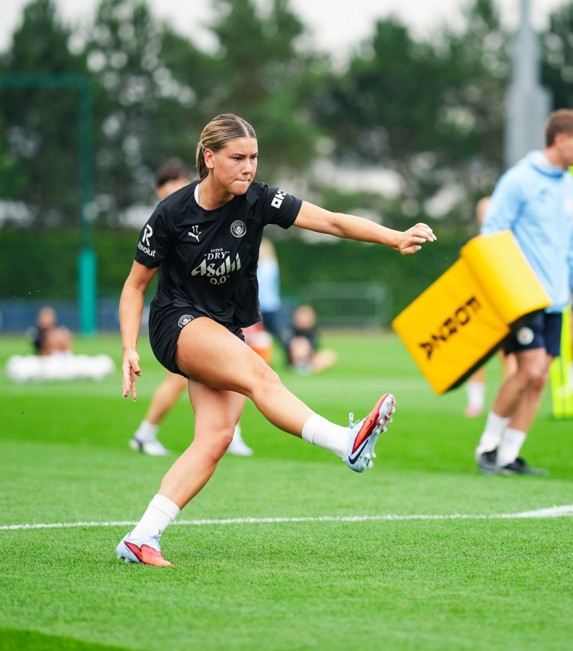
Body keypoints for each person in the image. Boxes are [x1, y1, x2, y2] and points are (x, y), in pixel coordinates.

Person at [116, 113, 436, 566]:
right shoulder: (171, 214)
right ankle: (346, 443)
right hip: (176, 322)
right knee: (258, 372)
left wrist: (394, 237)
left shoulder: (260, 200)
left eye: (254, 158)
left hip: (221, 325)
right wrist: (129, 347)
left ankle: (141, 537)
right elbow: (134, 286)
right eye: (238, 158)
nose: (249, 167)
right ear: (209, 158)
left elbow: (333, 223)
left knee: (216, 437)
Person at [474, 109, 573, 476]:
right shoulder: (519, 180)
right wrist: (507, 288)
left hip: (557, 299)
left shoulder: (571, 184)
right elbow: (492, 234)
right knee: (528, 369)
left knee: (541, 375)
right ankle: (487, 447)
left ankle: (509, 456)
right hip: (523, 297)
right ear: (560, 140)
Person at [129, 161, 254, 457]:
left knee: (233, 366)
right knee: (189, 376)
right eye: (163, 195)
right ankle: (146, 432)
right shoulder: (169, 218)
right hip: (181, 312)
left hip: (214, 309)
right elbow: (138, 281)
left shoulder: (208, 207)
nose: (168, 200)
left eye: (172, 192)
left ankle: (227, 433)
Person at [463, 197, 516, 417]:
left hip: (505, 307)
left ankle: (511, 403)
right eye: (482, 211)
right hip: (481, 308)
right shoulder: (472, 243)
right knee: (475, 358)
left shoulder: (508, 240)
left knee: (509, 356)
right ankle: (475, 403)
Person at [284, 303, 338, 374]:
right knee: (300, 344)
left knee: (329, 354)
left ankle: (308, 368)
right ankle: (300, 366)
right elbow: (288, 345)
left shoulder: (313, 332)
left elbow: (314, 348)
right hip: (293, 361)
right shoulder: (289, 330)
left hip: (310, 359)